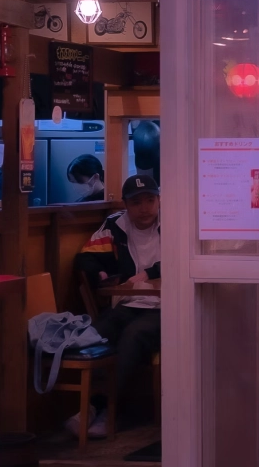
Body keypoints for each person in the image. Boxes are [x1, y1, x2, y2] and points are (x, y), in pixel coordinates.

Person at [69, 175, 161, 439]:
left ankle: (106, 408)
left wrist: (148, 273)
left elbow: (182, 259)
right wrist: (99, 272)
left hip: (165, 307)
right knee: (99, 330)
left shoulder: (174, 222)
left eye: (150, 200)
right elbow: (84, 258)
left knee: (134, 336)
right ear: (126, 205)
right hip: (128, 302)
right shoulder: (115, 224)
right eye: (137, 202)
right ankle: (98, 406)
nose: (145, 208)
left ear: (158, 201)